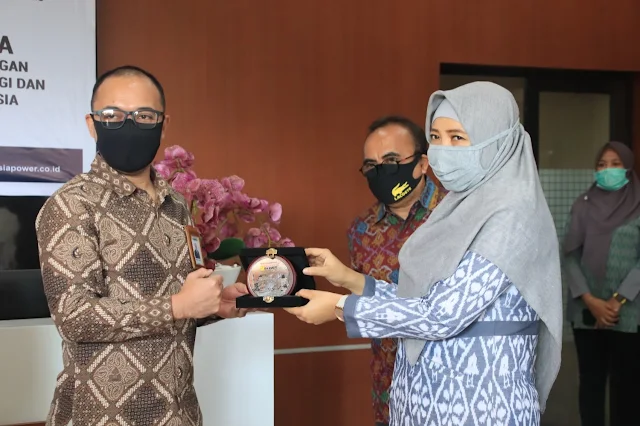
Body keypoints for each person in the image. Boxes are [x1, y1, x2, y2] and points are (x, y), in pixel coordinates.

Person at [285, 81, 563, 425]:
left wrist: (340, 307)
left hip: (481, 410)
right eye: (436, 136)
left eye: (457, 137)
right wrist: (349, 279)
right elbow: (422, 298)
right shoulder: (459, 209)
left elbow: (442, 315)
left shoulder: (513, 216)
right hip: (424, 407)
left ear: (498, 140)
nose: (443, 150)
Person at [35, 65, 249, 425]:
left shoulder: (176, 204)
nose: (129, 125)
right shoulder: (71, 205)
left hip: (179, 412)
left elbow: (174, 303)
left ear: (163, 125)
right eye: (112, 115)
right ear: (92, 124)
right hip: (101, 415)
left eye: (144, 116)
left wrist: (214, 306)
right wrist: (179, 306)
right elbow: (75, 317)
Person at [348, 115, 446, 426]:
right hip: (389, 386)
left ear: (422, 163)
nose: (381, 172)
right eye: (371, 165)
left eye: (391, 161)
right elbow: (366, 304)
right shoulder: (361, 230)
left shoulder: (456, 215)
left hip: (452, 385)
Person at [563, 141, 640, 426]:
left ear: (628, 168)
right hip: (587, 311)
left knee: (627, 385)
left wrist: (617, 300)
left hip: (629, 312)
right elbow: (570, 255)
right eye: (602, 165)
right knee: (591, 382)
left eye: (615, 164)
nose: (608, 170)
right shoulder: (582, 205)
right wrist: (590, 300)